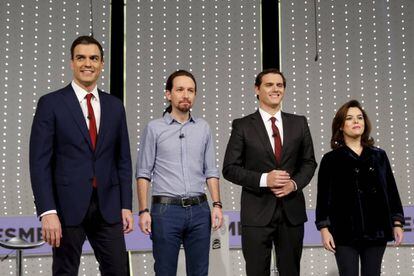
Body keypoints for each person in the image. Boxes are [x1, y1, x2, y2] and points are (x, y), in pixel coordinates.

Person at [29, 35, 133, 276]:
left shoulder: (115, 106)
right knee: (65, 272)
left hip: (108, 206)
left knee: (119, 271)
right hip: (66, 208)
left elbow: (123, 160)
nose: (88, 63)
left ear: (102, 63)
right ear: (72, 63)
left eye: (94, 58)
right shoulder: (51, 103)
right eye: (81, 58)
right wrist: (47, 212)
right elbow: (39, 163)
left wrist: (126, 205)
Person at [222, 68, 317, 276]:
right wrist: (266, 179)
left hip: (291, 212)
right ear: (257, 89)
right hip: (256, 214)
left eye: (280, 85)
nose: (275, 89)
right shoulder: (243, 125)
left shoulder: (299, 122)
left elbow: (309, 162)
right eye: (269, 85)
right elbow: (229, 169)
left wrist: (293, 184)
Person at [136, 70, 223, 276]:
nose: (186, 95)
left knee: (200, 272)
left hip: (200, 209)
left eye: (191, 90)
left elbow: (210, 170)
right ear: (168, 94)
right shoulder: (154, 128)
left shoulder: (203, 128)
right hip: (166, 211)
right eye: (180, 90)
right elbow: (143, 172)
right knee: (165, 272)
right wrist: (143, 210)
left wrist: (217, 205)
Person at [315, 99, 404, 276]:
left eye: (360, 117)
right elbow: (323, 198)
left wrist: (397, 222)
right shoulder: (330, 159)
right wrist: (324, 229)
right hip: (343, 232)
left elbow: (391, 191)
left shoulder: (379, 156)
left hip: (376, 229)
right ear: (341, 125)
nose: (356, 121)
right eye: (349, 118)